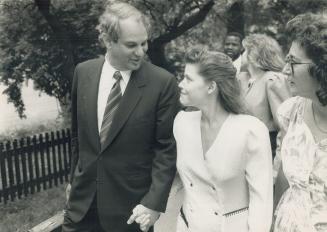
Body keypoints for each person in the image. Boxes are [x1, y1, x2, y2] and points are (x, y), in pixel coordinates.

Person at [62, 2, 180, 232]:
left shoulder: (162, 83)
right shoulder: (83, 73)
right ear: (108, 41)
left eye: (143, 43)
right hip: (81, 208)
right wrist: (72, 181)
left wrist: (153, 204)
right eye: (131, 45)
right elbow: (78, 135)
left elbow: (166, 150)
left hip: (132, 212)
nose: (140, 51)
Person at [174, 47, 273, 231]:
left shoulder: (251, 130)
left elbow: (262, 200)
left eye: (188, 79)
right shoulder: (182, 123)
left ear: (211, 87)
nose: (180, 84)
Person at [273, 13, 327, 232]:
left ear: (322, 67)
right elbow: (283, 179)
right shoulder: (291, 112)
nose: (285, 70)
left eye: (293, 62)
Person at [241, 34, 291, 158]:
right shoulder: (243, 79)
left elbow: (284, 124)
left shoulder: (272, 79)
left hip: (265, 147)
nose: (241, 55)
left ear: (254, 55)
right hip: (243, 145)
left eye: (244, 51)